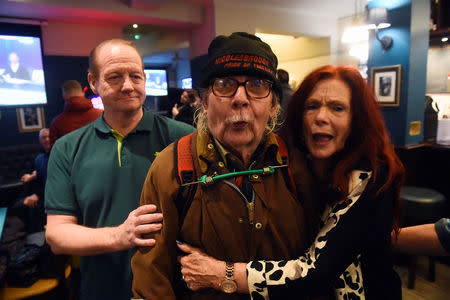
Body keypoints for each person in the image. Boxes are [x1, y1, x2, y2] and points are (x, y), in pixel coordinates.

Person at [177, 65, 406, 300]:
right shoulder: (294, 164)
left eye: (337, 108)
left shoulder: (372, 177)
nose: (321, 117)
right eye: (312, 106)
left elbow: (315, 272)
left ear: (356, 119)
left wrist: (219, 273)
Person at [131, 32, 317, 299]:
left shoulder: (295, 165)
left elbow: (318, 264)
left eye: (256, 84)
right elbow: (151, 280)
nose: (240, 98)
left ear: (274, 105)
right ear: (205, 102)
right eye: (225, 83)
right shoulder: (171, 168)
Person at [44, 38, 194, 300]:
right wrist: (120, 236)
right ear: (93, 82)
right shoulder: (67, 148)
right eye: (114, 77)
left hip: (175, 290)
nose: (128, 86)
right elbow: (57, 235)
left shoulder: (185, 139)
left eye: (135, 76)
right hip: (102, 289)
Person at [15, 128, 51, 232]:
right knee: (18, 206)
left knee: (33, 209)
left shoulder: (57, 156)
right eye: (44, 137)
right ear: (40, 141)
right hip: (42, 193)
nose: (47, 139)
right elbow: (39, 178)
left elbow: (53, 182)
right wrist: (32, 177)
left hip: (52, 197)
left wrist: (37, 196)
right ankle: (32, 228)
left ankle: (37, 231)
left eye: (49, 136)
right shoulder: (39, 158)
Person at [49, 80, 102, 147]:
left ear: (64, 96)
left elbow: (54, 153)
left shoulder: (57, 123)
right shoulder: (102, 115)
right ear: (83, 93)